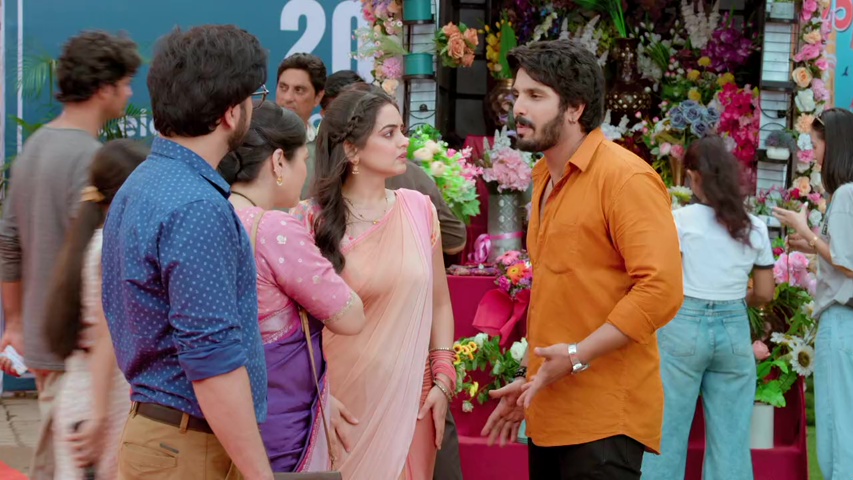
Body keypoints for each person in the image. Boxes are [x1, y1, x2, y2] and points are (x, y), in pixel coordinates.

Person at [481, 39, 683, 479]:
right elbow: (566, 295)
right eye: (518, 94)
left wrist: (576, 356)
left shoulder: (625, 178)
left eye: (535, 96)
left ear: (575, 108)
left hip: (605, 418)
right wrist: (536, 378)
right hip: (551, 412)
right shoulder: (544, 178)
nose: (519, 107)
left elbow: (662, 289)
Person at [100, 25, 273, 480]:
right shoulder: (196, 206)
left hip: (165, 438)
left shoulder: (143, 183)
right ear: (231, 112)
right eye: (257, 94)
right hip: (189, 447)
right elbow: (212, 363)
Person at [291, 86, 456, 480]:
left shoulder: (419, 210)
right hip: (339, 405)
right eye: (389, 133)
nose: (404, 141)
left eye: (402, 130)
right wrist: (317, 399)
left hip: (412, 401)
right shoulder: (308, 221)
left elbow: (440, 304)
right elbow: (291, 328)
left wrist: (444, 376)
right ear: (351, 149)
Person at [0, 30, 141, 480]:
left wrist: (17, 322)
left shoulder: (34, 147)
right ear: (104, 89)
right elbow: (100, 267)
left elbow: (8, 242)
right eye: (124, 83)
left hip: (45, 342)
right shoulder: (91, 160)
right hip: (79, 350)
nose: (129, 93)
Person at [218, 101, 367, 473]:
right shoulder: (275, 229)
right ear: (278, 161)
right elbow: (350, 318)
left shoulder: (211, 214)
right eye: (304, 159)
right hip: (278, 414)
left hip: (220, 408)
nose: (307, 172)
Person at [642, 136, 776, 480]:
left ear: (694, 176)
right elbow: (764, 292)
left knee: (666, 436)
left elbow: (664, 281)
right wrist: (735, 301)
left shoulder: (679, 221)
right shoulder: (754, 227)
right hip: (733, 327)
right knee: (731, 442)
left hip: (683, 325)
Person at [43, 139, 147, 479]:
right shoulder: (109, 247)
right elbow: (106, 336)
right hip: (100, 401)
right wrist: (100, 414)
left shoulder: (93, 241)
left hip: (84, 394)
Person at [773, 108, 853, 480]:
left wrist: (807, 232)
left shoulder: (845, 196)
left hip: (841, 319)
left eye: (817, 143)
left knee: (839, 425)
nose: (814, 151)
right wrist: (811, 245)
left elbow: (847, 263)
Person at [275, 53, 326, 199]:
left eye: (299, 90)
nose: (288, 98)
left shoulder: (324, 152)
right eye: (283, 87)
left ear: (318, 97)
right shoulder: (252, 139)